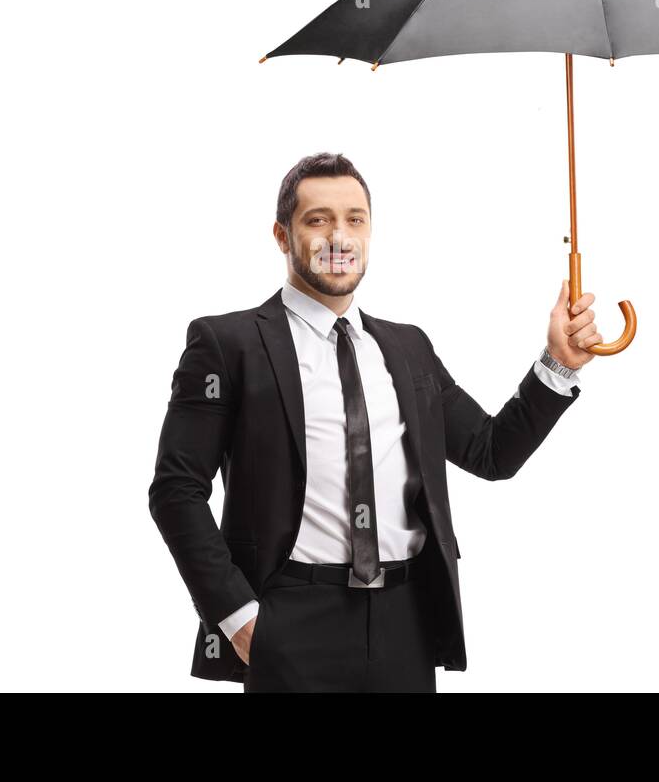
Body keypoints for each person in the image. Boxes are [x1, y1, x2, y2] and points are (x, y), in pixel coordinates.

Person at [149, 152, 604, 691]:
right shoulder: (227, 345)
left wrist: (557, 363)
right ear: (281, 234)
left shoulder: (408, 348)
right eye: (317, 220)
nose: (339, 236)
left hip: (405, 620)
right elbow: (177, 490)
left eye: (355, 219)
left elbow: (489, 452)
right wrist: (238, 619)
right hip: (289, 615)